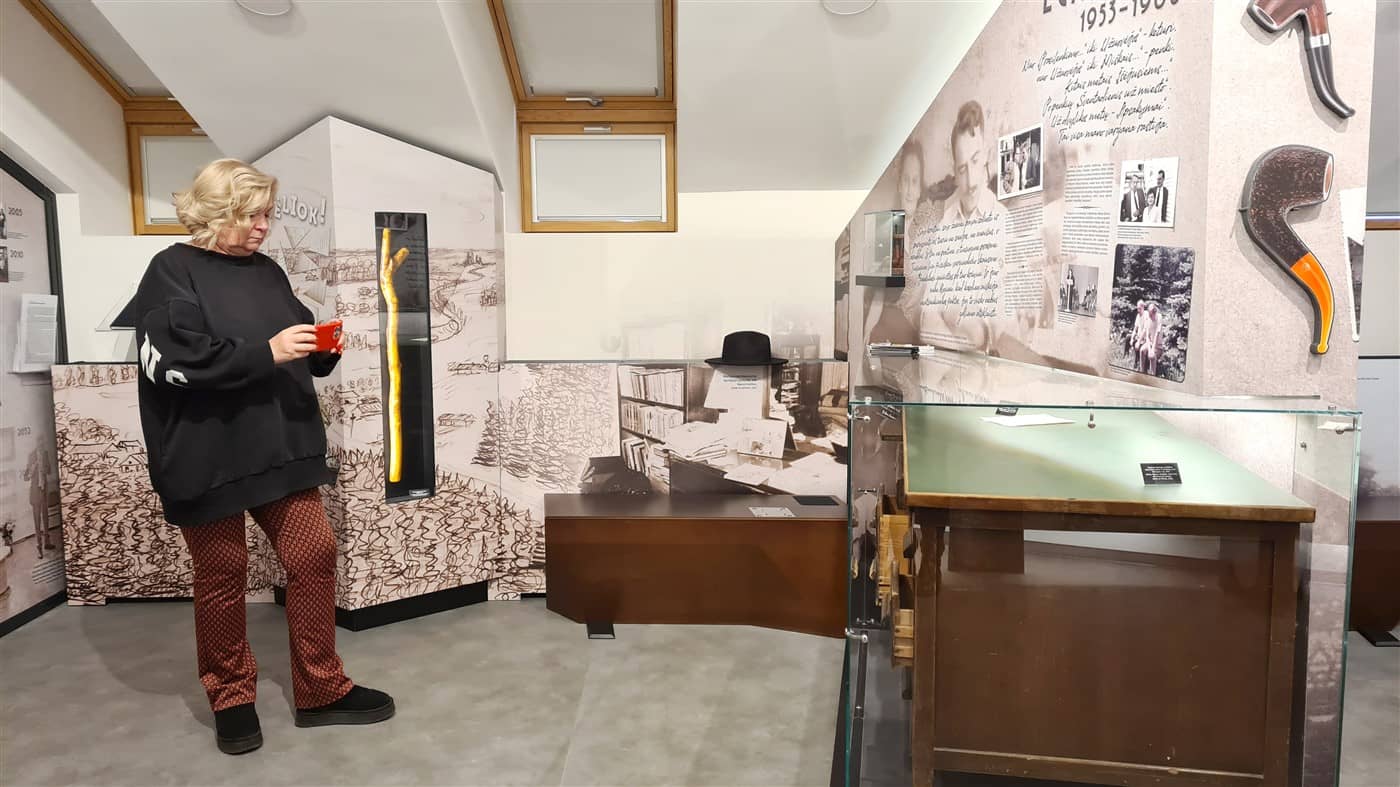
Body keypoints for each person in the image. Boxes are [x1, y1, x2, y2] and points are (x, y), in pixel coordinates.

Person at [131, 159, 393, 756]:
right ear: (214, 211)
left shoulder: (268, 271)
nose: (263, 227)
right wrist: (265, 352)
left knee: (314, 556)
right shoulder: (171, 270)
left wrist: (319, 347)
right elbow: (175, 361)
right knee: (223, 575)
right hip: (208, 457)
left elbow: (289, 336)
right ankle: (231, 698)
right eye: (250, 215)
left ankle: (321, 689)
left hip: (280, 448)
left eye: (267, 215)